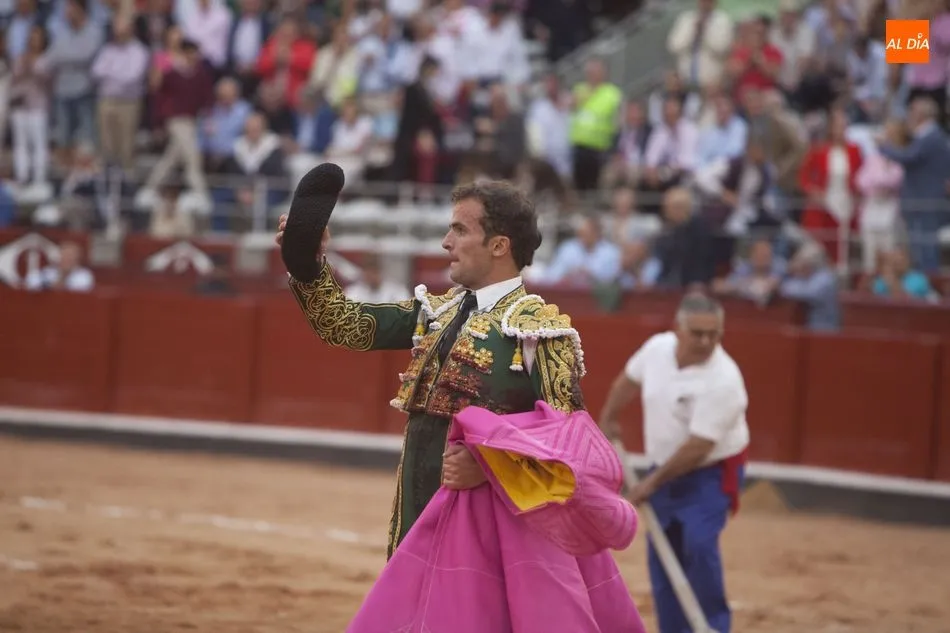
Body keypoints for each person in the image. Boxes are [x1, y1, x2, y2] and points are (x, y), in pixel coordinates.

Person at [275, 180, 588, 557]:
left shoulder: (539, 332)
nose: (445, 242)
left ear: (499, 245)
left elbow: (569, 445)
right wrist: (308, 267)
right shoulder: (439, 312)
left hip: (488, 523)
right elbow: (345, 326)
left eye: (459, 230)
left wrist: (495, 470)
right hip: (415, 512)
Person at [597, 293, 749, 633]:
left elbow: (698, 447)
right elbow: (628, 380)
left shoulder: (724, 379)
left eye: (715, 334)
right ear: (678, 329)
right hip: (664, 464)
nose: (707, 341)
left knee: (698, 542)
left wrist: (650, 484)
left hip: (710, 471)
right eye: (698, 333)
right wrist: (609, 417)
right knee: (663, 548)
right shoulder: (657, 349)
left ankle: (713, 626)